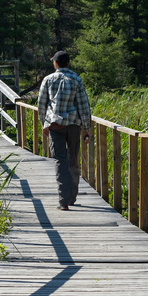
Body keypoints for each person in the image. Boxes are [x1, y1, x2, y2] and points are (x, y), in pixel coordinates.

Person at [37, 51, 92, 210]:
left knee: (60, 161)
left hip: (55, 125)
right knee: (73, 160)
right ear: (68, 63)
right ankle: (72, 197)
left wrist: (44, 124)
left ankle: (63, 201)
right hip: (74, 125)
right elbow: (83, 106)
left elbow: (42, 105)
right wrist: (87, 128)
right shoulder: (76, 79)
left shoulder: (48, 80)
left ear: (55, 63)